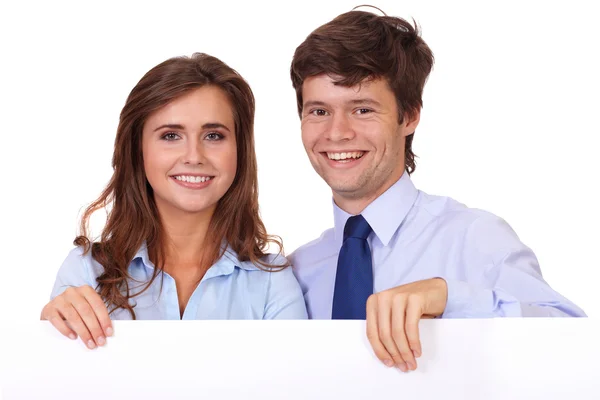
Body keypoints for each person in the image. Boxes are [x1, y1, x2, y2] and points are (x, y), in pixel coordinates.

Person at [288, 8, 586, 373]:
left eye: (362, 109)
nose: (337, 133)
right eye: (318, 112)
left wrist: (449, 297)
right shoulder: (297, 272)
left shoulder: (473, 238)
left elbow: (575, 344)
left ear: (409, 116)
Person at [41, 53, 308, 350]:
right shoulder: (86, 271)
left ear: (239, 151)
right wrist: (48, 336)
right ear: (137, 150)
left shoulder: (273, 282)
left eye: (214, 135)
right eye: (170, 135)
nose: (194, 156)